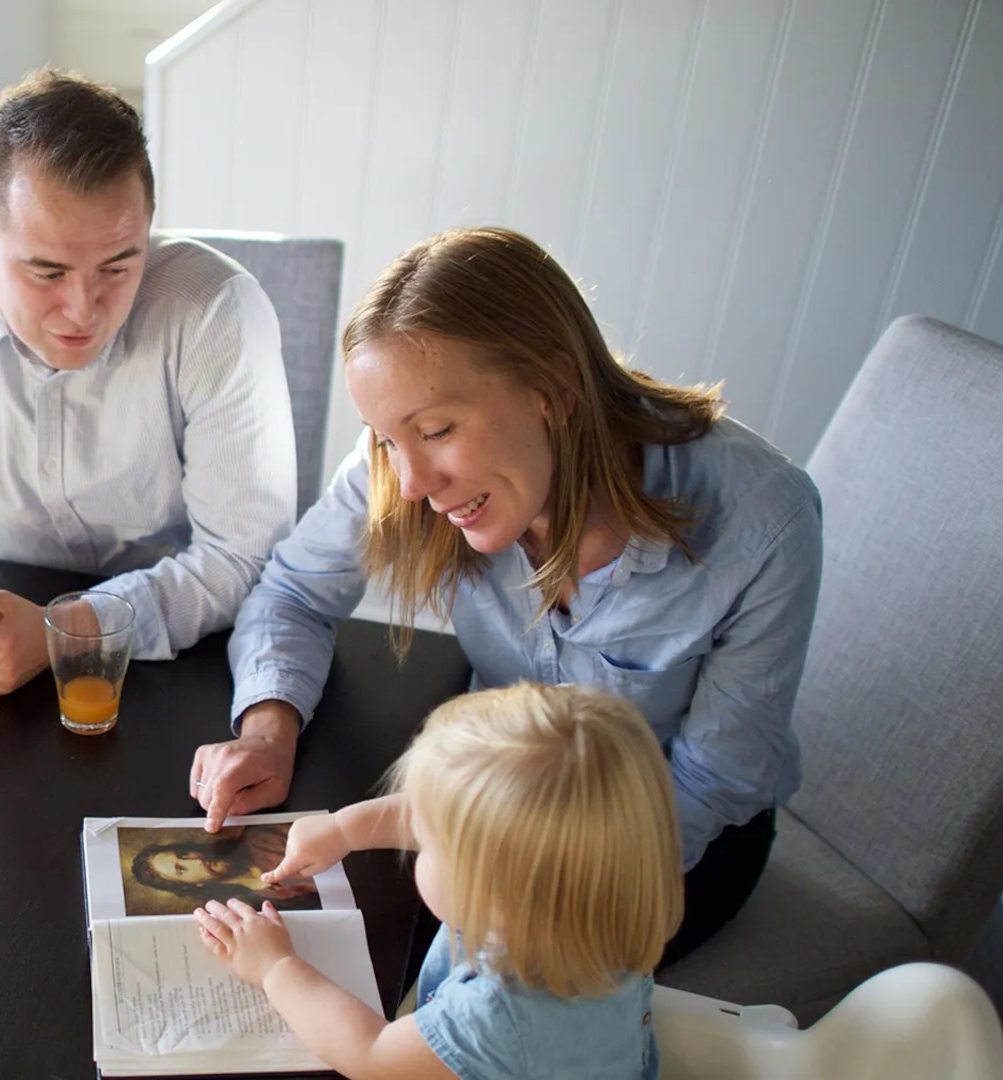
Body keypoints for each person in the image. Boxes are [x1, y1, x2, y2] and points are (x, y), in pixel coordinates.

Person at [190, 226, 820, 963]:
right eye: (386, 439)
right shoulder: (403, 468)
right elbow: (294, 590)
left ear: (552, 389)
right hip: (490, 794)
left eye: (436, 430)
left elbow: (710, 784)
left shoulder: (763, 519)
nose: (414, 484)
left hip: (661, 842)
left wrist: (494, 876)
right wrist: (268, 730)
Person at [0, 69, 296, 700]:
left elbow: (245, 557)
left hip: (189, 654)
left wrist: (62, 632)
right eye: (47, 272)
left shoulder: (216, 310)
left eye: (118, 265)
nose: (83, 309)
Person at [195, 683, 682, 1080]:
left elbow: (371, 1055)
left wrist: (273, 965)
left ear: (487, 883)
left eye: (427, 841)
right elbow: (450, 816)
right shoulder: (596, 903)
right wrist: (346, 829)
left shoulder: (496, 1013)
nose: (415, 833)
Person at [129, 825, 318, 911]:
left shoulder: (261, 837)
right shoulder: (251, 909)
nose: (196, 861)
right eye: (181, 869)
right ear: (191, 886)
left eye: (184, 854)